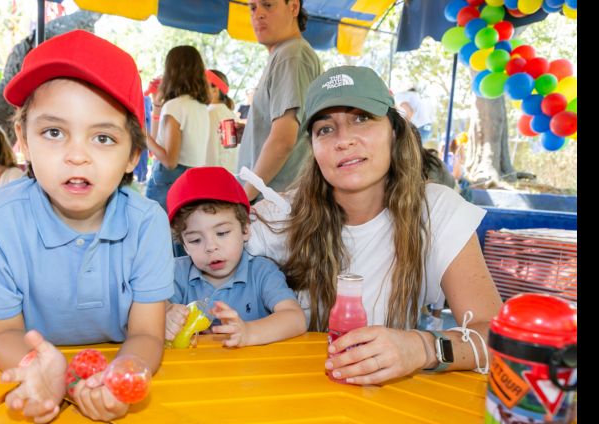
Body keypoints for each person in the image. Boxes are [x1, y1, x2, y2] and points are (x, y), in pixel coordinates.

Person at [247, 66, 502, 385]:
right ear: (312, 148)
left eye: (361, 118)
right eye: (325, 129)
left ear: (394, 131)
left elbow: (495, 336)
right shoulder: (280, 213)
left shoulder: (436, 211)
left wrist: (421, 348)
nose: (344, 140)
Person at [0, 30, 174, 424]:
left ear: (133, 154)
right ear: (23, 141)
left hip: (118, 370)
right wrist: (49, 374)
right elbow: (1, 334)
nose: (77, 155)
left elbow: (147, 335)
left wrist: (121, 377)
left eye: (102, 137)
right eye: (54, 132)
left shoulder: (148, 224)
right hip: (29, 378)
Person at [165, 166, 306, 347]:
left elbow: (295, 318)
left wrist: (248, 332)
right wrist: (166, 313)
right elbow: (145, 311)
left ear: (246, 229)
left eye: (222, 233)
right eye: (195, 240)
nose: (211, 247)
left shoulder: (262, 272)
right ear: (184, 245)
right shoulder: (176, 273)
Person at [236, 0, 322, 201]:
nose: (258, 15)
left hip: (272, 203)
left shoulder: (290, 55)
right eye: (253, 7)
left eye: (268, 5)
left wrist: (243, 199)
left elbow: (283, 140)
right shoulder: (288, 53)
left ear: (293, 7)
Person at [145, 46, 210, 212]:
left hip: (169, 179)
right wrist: (157, 105)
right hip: (194, 178)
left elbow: (169, 161)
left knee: (157, 233)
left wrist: (140, 133)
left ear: (171, 71)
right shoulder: (200, 107)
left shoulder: (174, 106)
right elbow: (157, 141)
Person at [204, 69, 239, 173]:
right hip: (230, 176)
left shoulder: (210, 114)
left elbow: (211, 152)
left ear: (215, 90)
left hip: (213, 177)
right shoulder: (231, 114)